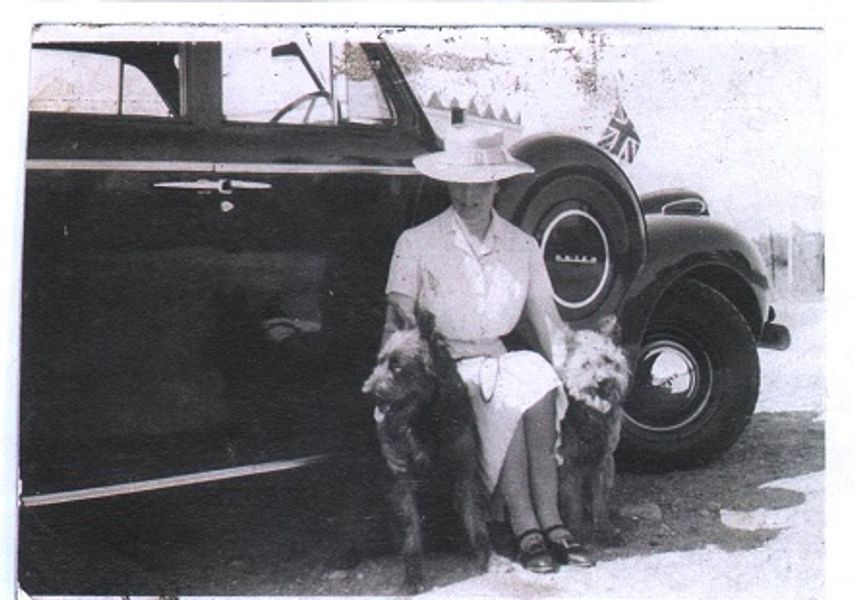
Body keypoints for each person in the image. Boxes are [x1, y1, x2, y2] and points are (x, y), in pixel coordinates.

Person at [382, 116, 594, 573]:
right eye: (458, 184)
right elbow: (397, 328)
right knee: (504, 396)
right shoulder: (417, 243)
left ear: (498, 185)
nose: (468, 196)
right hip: (443, 367)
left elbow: (549, 325)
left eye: (480, 185)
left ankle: (553, 519)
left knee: (535, 378)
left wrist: (579, 376)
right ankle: (526, 527)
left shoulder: (522, 246)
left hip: (497, 355)